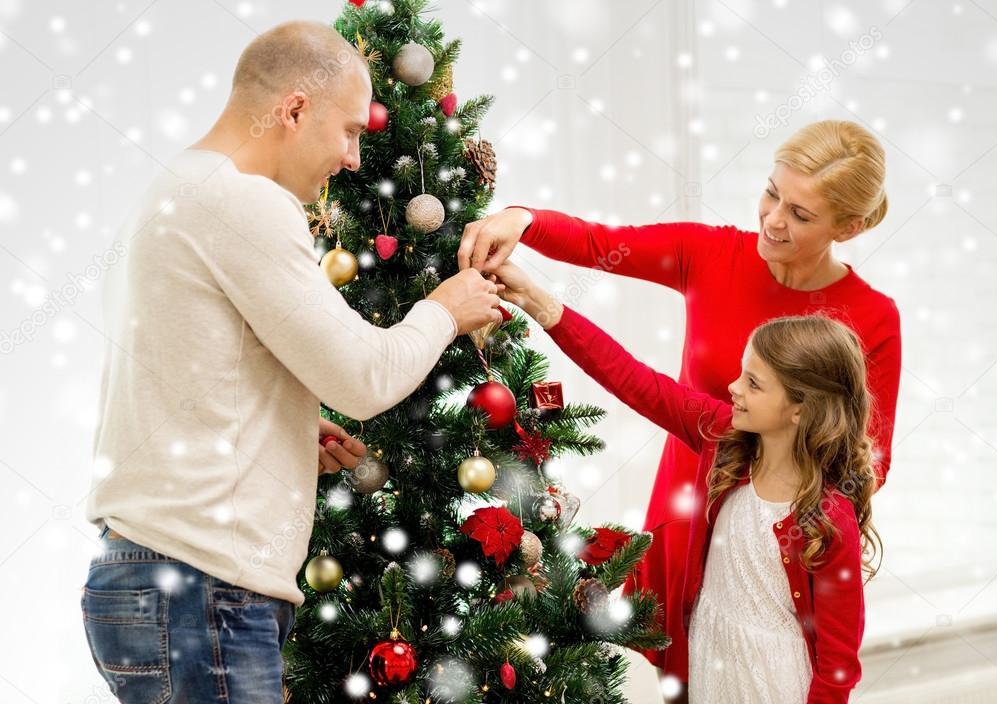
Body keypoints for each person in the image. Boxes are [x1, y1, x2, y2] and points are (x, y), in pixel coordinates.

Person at [80, 21, 502, 704]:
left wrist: (274, 430)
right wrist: (445, 310)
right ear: (295, 109)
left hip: (156, 579)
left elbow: (179, 372)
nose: (355, 158)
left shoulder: (177, 187)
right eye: (348, 131)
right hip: (200, 590)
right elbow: (364, 379)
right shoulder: (242, 202)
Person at [459, 120, 901, 689]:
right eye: (772, 192)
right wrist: (523, 219)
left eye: (801, 213)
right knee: (691, 672)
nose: (772, 218)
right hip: (687, 512)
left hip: (781, 532)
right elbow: (604, 257)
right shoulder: (712, 253)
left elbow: (871, 460)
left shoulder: (873, 317)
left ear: (850, 225)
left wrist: (780, 488)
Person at [490, 261, 881, 703]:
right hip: (710, 663)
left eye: (753, 384)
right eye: (741, 372)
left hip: (774, 684)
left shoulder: (827, 516)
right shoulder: (723, 437)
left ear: (800, 409)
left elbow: (838, 660)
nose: (733, 387)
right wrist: (539, 302)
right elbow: (633, 379)